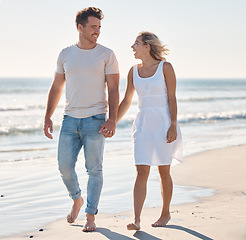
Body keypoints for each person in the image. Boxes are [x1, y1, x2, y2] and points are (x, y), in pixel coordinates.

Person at [43, 7, 119, 232]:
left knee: (94, 170)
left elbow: (114, 88)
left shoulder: (107, 54)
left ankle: (90, 216)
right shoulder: (65, 54)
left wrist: (112, 119)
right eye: (93, 27)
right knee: (64, 167)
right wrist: (48, 116)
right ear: (80, 27)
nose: (97, 31)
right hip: (69, 120)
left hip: (96, 119)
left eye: (99, 27)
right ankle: (77, 199)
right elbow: (57, 87)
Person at [116, 31, 182, 230]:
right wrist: (113, 122)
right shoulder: (132, 71)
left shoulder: (165, 68)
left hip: (163, 123)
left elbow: (172, 98)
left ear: (147, 46)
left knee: (164, 171)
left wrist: (173, 124)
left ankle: (165, 213)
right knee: (141, 170)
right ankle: (136, 219)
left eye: (136, 43)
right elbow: (127, 100)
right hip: (143, 124)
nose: (132, 47)